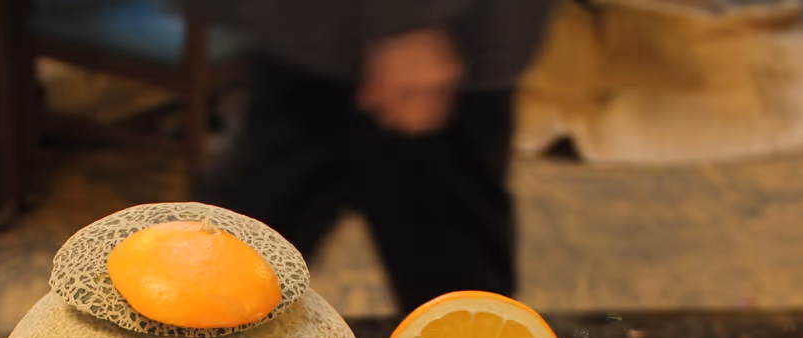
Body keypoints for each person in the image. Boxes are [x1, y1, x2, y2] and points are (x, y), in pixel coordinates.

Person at [172, 0, 553, 313]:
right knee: (459, 303)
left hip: (367, 42)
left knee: (230, 259)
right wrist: (405, 21)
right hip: (404, 47)